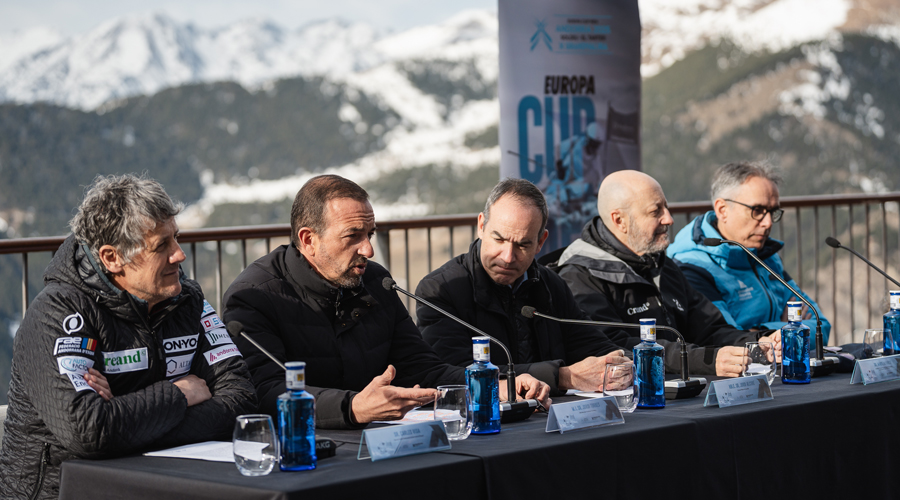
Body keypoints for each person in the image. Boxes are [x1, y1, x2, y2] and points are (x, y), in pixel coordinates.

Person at [0, 174, 256, 500]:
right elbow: (90, 431)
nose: (179, 255)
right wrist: (177, 395)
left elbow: (241, 401)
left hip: (163, 485)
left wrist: (125, 420)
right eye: (161, 246)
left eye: (176, 238)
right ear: (112, 258)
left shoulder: (188, 300)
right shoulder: (57, 313)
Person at [223, 175, 549, 430]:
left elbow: (423, 367)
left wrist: (494, 386)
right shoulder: (255, 296)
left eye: (370, 234)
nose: (368, 250)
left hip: (376, 442)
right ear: (309, 240)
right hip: (302, 450)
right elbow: (263, 392)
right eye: (353, 236)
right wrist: (353, 408)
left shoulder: (375, 281)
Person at [551, 170, 780, 377]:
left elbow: (709, 328)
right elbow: (613, 348)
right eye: (655, 212)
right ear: (619, 221)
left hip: (683, 390)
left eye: (666, 208)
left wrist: (756, 343)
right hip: (633, 400)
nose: (669, 219)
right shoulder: (579, 276)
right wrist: (707, 360)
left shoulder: (661, 264)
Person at [416, 178, 630, 394]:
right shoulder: (440, 290)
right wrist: (563, 377)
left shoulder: (551, 284)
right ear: (481, 226)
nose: (508, 257)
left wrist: (623, 364)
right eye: (499, 240)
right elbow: (449, 375)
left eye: (522, 245)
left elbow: (594, 346)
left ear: (540, 242)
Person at [667, 161, 830, 346]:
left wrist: (772, 332)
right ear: (722, 210)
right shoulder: (693, 266)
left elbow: (821, 327)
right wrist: (788, 330)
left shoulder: (765, 255)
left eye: (773, 212)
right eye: (757, 210)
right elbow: (725, 342)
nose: (768, 223)